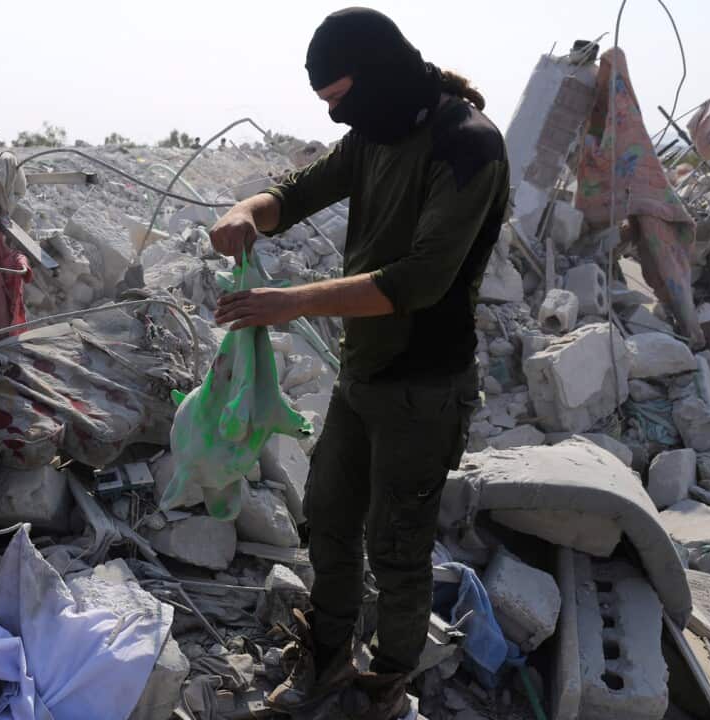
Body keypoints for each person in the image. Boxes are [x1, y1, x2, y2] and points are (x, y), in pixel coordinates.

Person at [210, 8, 508, 718]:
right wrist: (244, 209)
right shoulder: (374, 133)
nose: (339, 116)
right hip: (362, 377)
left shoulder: (468, 145)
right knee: (329, 521)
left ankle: (386, 685)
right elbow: (292, 193)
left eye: (341, 97)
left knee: (399, 548)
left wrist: (289, 303)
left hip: (425, 389)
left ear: (377, 75)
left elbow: (417, 282)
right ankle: (327, 660)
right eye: (328, 106)